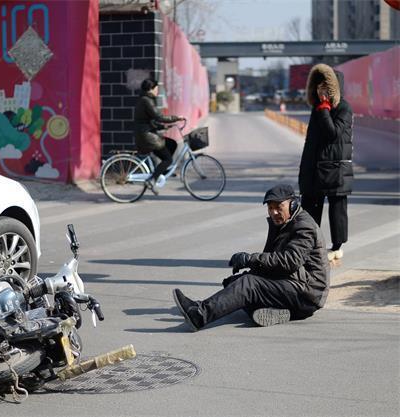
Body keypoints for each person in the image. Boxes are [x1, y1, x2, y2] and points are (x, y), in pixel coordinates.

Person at [172, 184, 330, 331]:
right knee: (233, 283)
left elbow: (290, 261)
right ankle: (282, 312)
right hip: (294, 283)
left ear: (293, 204)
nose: (274, 212)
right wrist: (250, 267)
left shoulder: (304, 226)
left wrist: (250, 259)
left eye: (278, 207)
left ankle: (199, 315)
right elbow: (273, 260)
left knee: (247, 285)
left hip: (307, 294)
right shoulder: (283, 223)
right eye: (270, 208)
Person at [298, 63, 353, 262]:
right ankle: (309, 247)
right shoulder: (317, 108)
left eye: (325, 87)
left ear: (334, 88)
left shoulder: (344, 108)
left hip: (335, 169)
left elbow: (332, 134)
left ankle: (337, 247)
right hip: (314, 169)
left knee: (337, 210)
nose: (321, 90)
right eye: (318, 86)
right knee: (310, 209)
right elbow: (311, 141)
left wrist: (324, 108)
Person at [133, 78, 183, 194]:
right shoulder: (147, 101)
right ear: (151, 88)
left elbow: (149, 120)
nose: (157, 91)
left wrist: (163, 127)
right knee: (168, 159)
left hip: (147, 133)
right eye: (156, 89)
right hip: (147, 136)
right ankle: (152, 180)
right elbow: (158, 116)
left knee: (172, 144)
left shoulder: (145, 99)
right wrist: (176, 118)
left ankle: (161, 172)